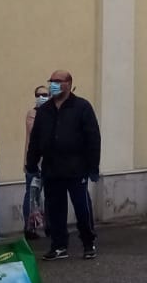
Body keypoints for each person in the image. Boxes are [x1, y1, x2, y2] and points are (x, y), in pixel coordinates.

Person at [27, 70, 101, 259]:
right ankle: (59, 245)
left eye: (58, 81)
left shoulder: (82, 107)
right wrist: (32, 164)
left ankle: (88, 242)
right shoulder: (44, 111)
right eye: (51, 81)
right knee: (55, 209)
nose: (53, 84)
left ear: (68, 83)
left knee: (81, 207)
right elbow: (35, 139)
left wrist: (93, 167)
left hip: (77, 168)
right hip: (52, 169)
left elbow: (93, 138)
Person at [23, 84, 51, 239]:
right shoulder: (32, 114)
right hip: (33, 162)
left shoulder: (51, 113)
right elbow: (34, 133)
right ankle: (29, 228)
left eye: (45, 95)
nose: (42, 97)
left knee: (50, 195)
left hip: (49, 163)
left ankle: (49, 225)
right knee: (31, 195)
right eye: (39, 95)